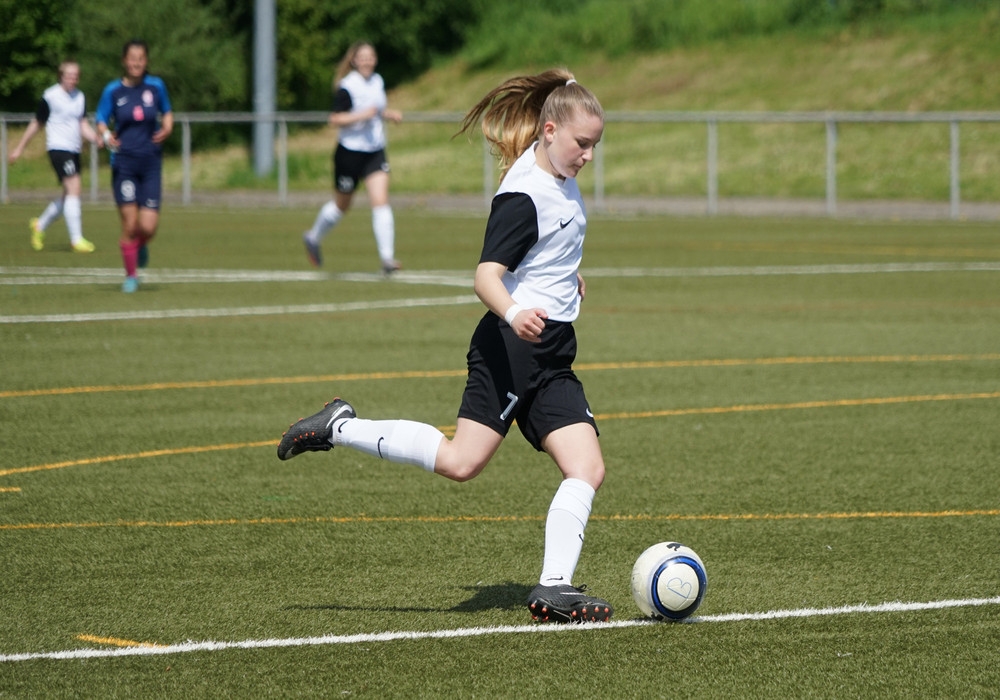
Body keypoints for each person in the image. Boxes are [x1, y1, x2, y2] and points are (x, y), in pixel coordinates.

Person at [278, 69, 613, 623]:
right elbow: (485, 277)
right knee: (461, 462)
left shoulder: (551, 159)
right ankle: (338, 425)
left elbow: (551, 242)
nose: (588, 158)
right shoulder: (525, 196)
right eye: (582, 144)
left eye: (596, 146)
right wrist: (515, 310)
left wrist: (565, 277)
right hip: (510, 345)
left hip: (553, 354)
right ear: (549, 131)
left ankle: (554, 587)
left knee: (587, 467)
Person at [301, 41, 403, 275]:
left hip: (375, 152)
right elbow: (335, 119)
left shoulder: (378, 81)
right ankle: (313, 237)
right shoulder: (348, 86)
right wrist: (361, 116)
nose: (367, 60)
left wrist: (388, 114)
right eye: (363, 57)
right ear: (354, 61)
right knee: (341, 206)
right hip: (349, 153)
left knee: (381, 201)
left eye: (371, 56)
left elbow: (375, 111)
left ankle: (387, 259)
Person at [95, 39, 173, 293]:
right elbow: (101, 120)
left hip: (151, 163)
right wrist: (106, 137)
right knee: (130, 225)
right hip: (124, 164)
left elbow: (167, 111)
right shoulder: (113, 91)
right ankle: (131, 276)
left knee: (148, 227)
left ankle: (139, 246)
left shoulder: (156, 86)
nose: (136, 62)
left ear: (146, 61)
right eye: (132, 58)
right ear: (124, 61)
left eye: (141, 58)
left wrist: (168, 126)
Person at [8, 61, 101, 253]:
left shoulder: (80, 97)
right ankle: (76, 240)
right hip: (58, 149)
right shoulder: (50, 96)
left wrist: (95, 138)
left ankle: (39, 225)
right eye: (69, 75)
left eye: (76, 75)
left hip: (73, 150)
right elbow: (37, 123)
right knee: (74, 188)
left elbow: (82, 124)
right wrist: (19, 148)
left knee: (69, 195)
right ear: (61, 76)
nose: (73, 79)